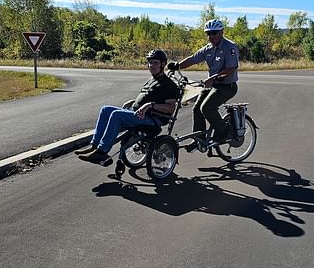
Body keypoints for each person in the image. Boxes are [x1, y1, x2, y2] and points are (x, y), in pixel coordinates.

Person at [76, 49, 180, 165]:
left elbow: (170, 108)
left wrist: (150, 105)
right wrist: (133, 102)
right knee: (105, 110)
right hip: (138, 113)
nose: (152, 65)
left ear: (163, 64)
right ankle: (94, 146)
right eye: (150, 63)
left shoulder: (168, 85)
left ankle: (102, 152)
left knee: (116, 115)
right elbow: (147, 96)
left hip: (152, 119)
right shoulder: (152, 80)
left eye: (155, 63)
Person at [168, 18, 239, 152]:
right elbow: (193, 59)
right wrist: (177, 66)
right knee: (197, 108)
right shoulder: (208, 49)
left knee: (207, 108)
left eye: (214, 33)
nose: (211, 36)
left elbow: (231, 68)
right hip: (213, 86)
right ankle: (199, 140)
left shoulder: (230, 47)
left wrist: (214, 77)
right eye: (208, 33)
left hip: (227, 87)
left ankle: (223, 132)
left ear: (221, 32)